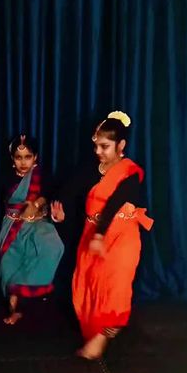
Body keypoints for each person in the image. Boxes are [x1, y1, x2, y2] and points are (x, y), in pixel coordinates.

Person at [72, 111, 153, 359]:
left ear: (121, 145)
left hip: (121, 237)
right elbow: (72, 188)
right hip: (93, 233)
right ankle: (100, 331)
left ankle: (101, 338)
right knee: (87, 286)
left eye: (105, 146)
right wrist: (56, 207)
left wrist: (99, 235)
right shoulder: (93, 169)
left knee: (116, 287)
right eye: (96, 145)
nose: (98, 151)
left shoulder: (130, 173)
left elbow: (115, 202)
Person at [0, 134, 65, 325]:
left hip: (38, 225)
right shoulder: (7, 177)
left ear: (35, 157)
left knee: (52, 246)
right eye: (19, 158)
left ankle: (28, 295)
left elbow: (52, 191)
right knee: (10, 265)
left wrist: (36, 203)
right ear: (13, 159)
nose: (23, 162)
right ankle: (15, 308)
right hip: (12, 226)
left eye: (28, 157)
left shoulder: (41, 176)